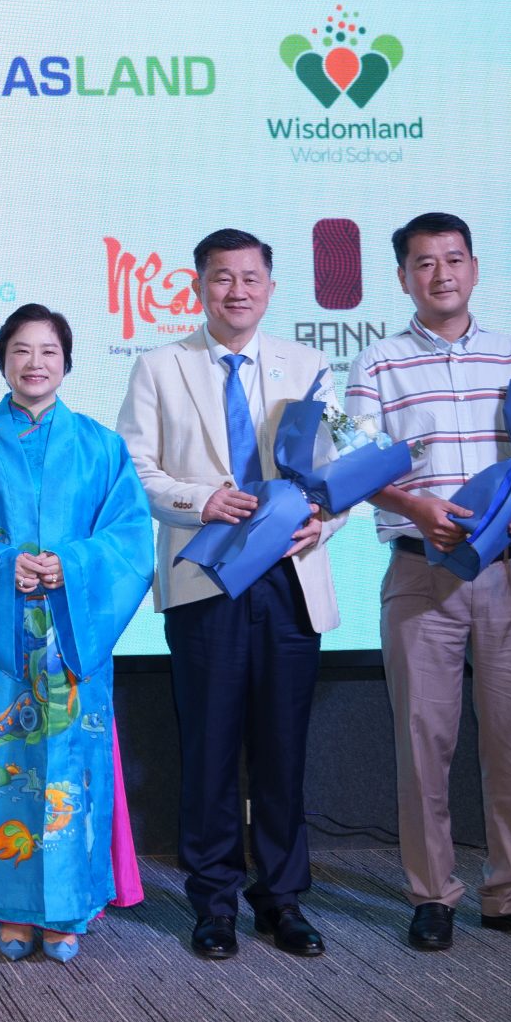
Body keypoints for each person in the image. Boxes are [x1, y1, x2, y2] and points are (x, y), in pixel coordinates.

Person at [346, 213, 511, 953]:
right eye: (425, 263)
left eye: (453, 259)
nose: (441, 274)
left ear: (474, 268)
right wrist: (414, 505)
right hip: (422, 571)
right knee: (424, 741)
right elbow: (356, 470)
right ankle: (432, 894)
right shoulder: (377, 363)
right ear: (403, 278)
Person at [115, 230, 341, 961]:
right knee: (209, 748)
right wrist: (200, 499)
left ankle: (283, 899)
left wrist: (322, 523)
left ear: (270, 287)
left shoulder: (307, 366)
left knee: (282, 749)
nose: (236, 291)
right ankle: (212, 901)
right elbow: (134, 469)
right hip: (205, 577)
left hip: (288, 578)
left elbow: (338, 471)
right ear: (198, 287)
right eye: (222, 278)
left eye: (250, 278)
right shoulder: (159, 366)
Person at [0, 303, 153, 963]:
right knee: (1, 770)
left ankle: (68, 910)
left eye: (48, 351)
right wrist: (4, 566)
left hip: (72, 643)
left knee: (70, 773)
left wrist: (70, 565)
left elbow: (129, 537)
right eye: (21, 350)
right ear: (3, 359)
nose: (34, 363)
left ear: (67, 361)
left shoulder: (101, 446)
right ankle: (9, 909)